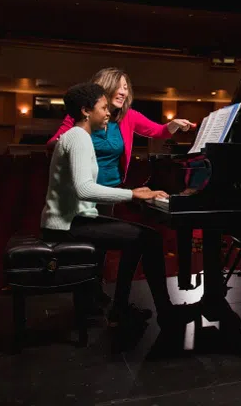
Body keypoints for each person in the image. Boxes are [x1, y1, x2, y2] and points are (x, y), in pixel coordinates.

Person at [47, 68, 195, 306]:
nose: (125, 92)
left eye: (128, 87)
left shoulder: (126, 117)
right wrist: (72, 150)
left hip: (109, 192)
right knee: (108, 248)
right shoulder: (79, 130)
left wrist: (173, 125)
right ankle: (95, 303)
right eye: (121, 86)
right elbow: (58, 148)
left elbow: (156, 131)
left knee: (121, 245)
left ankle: (116, 303)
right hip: (85, 199)